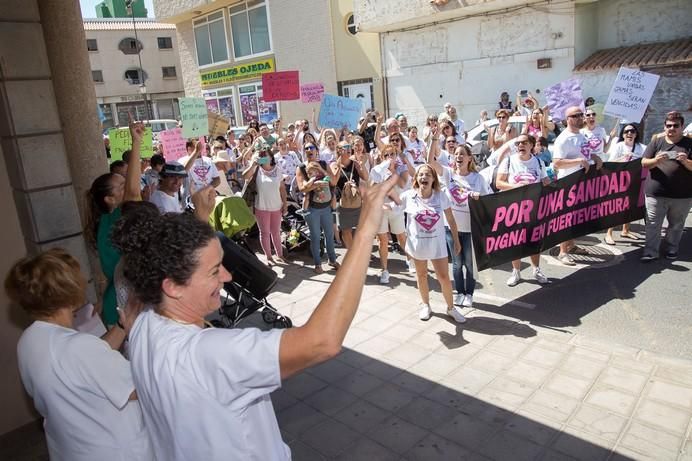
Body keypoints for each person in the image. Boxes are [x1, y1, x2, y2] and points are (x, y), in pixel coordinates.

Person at [110, 171, 399, 461]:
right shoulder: (209, 356)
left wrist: (199, 217)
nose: (227, 276)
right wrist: (364, 232)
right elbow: (322, 341)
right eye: (214, 271)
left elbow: (178, 262)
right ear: (171, 286)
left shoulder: (142, 323)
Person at [6, 248, 152, 461]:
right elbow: (139, 387)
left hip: (71, 448)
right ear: (66, 290)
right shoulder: (78, 348)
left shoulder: (29, 340)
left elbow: (89, 360)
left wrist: (123, 324)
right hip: (112, 451)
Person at [390, 164, 466, 323]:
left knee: (444, 277)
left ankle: (451, 308)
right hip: (418, 246)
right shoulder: (408, 196)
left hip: (437, 245)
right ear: (416, 178)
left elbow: (451, 220)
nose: (424, 177)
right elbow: (390, 207)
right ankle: (426, 305)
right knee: (421, 275)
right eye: (421, 175)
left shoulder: (441, 196)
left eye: (428, 175)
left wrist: (456, 240)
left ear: (433, 179)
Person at [86, 120, 144, 326]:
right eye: (120, 186)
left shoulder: (106, 222)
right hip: (124, 308)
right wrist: (136, 142)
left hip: (117, 304)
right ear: (109, 200)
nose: (126, 185)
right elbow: (134, 191)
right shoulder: (114, 218)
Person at [428, 140, 491, 307]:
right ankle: (460, 293)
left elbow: (489, 200)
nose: (458, 157)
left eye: (462, 154)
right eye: (456, 155)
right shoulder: (449, 174)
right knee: (456, 264)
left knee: (469, 264)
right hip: (451, 229)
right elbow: (430, 163)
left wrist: (479, 198)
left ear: (470, 158)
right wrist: (433, 140)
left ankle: (469, 294)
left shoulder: (478, 178)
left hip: (471, 229)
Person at [495, 134, 551, 286]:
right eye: (518, 143)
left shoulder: (539, 162)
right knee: (516, 240)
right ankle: (516, 271)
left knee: (534, 240)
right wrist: (516, 187)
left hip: (534, 208)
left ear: (531, 145)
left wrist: (547, 182)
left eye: (524, 143)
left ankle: (536, 269)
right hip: (514, 209)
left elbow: (545, 181)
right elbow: (499, 183)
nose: (520, 145)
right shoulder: (508, 161)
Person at [552, 106, 604, 265]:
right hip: (568, 185)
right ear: (568, 119)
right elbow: (557, 163)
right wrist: (578, 161)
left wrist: (594, 157)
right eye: (577, 115)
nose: (582, 117)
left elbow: (585, 153)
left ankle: (572, 245)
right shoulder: (564, 138)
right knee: (566, 219)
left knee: (575, 218)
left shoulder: (581, 135)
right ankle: (562, 252)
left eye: (582, 114)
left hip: (581, 184)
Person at [640, 111, 692, 261]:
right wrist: (656, 160)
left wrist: (686, 161)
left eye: (676, 126)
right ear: (664, 126)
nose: (672, 128)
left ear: (682, 126)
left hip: (682, 195)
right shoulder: (657, 142)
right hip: (656, 192)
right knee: (653, 225)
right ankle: (650, 251)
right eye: (668, 125)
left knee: (676, 225)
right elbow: (644, 163)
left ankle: (671, 249)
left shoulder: (689, 144)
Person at [296, 141, 340, 273]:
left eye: (311, 148)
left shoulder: (323, 164)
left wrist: (321, 170)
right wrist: (316, 185)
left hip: (326, 207)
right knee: (315, 236)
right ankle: (317, 264)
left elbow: (333, 181)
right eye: (306, 148)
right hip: (312, 209)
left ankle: (332, 260)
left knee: (329, 234)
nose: (309, 150)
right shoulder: (302, 168)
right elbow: (302, 189)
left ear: (316, 150)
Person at [370, 145, 412, 282]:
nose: (389, 158)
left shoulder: (400, 168)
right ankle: (384, 270)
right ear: (382, 157)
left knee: (401, 236)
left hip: (396, 208)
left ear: (396, 156)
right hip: (381, 208)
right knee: (382, 240)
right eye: (386, 155)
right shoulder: (378, 169)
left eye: (392, 154)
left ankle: (410, 259)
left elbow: (402, 184)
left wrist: (392, 171)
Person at [242, 146, 288, 266]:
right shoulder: (256, 169)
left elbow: (282, 188)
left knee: (276, 232)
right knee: (264, 232)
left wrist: (285, 204)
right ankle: (268, 257)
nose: (263, 157)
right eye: (261, 155)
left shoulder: (277, 170)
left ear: (271, 156)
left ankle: (280, 255)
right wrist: (252, 164)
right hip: (261, 207)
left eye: (265, 155)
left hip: (276, 206)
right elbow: (244, 176)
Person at [605, 123, 647, 245]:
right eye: (626, 131)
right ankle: (609, 233)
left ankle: (626, 230)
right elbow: (610, 163)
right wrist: (623, 158)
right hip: (620, 181)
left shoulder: (642, 147)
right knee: (616, 207)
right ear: (623, 134)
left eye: (632, 131)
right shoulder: (619, 146)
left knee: (630, 206)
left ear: (636, 134)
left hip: (635, 180)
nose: (629, 133)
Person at [332, 140, 368, 249]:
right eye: (345, 147)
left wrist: (361, 165)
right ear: (338, 150)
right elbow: (333, 182)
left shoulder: (354, 163)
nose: (348, 149)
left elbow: (365, 177)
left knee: (360, 229)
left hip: (356, 200)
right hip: (342, 203)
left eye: (349, 147)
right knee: (346, 231)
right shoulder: (334, 165)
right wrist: (338, 165)